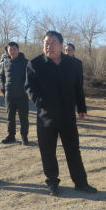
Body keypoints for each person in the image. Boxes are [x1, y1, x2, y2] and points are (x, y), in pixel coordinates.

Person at [25, 30, 97, 196]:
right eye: (46, 43)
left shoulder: (72, 64)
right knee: (48, 151)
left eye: (52, 43)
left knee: (73, 150)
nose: (49, 46)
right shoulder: (35, 64)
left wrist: (82, 107)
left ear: (60, 45)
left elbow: (78, 86)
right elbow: (29, 87)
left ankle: (80, 182)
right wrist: (40, 102)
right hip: (46, 115)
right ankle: (52, 182)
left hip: (67, 115)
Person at [0, 41, 29, 145]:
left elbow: (30, 78)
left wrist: (26, 88)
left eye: (14, 49)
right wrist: (3, 87)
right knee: (10, 117)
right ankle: (11, 136)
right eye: (10, 49)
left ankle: (24, 136)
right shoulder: (5, 63)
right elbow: (1, 76)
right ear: (7, 51)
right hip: (9, 95)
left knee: (23, 118)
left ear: (18, 50)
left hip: (22, 95)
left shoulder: (26, 63)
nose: (12, 51)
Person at [64, 43, 87, 119]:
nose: (67, 52)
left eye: (69, 50)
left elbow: (80, 83)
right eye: (66, 50)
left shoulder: (78, 63)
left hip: (72, 95)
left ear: (74, 51)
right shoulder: (59, 61)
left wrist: (82, 108)